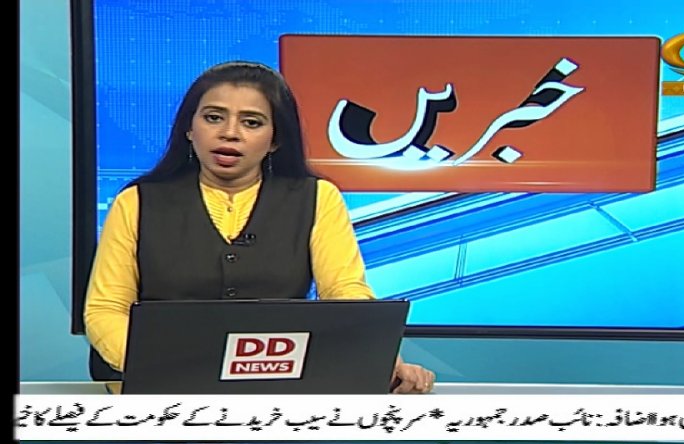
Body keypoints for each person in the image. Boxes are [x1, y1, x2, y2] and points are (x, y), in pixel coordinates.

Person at [83, 61, 436, 394]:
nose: (229, 133)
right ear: (189, 129)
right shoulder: (138, 201)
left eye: (251, 122)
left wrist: (385, 358)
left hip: (276, 388)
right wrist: (163, 365)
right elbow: (106, 309)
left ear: (276, 139)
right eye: (213, 117)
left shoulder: (317, 198)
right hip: (157, 391)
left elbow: (345, 293)